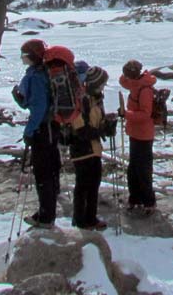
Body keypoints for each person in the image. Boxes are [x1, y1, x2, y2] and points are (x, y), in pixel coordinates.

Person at [12, 39, 60, 228]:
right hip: (51, 127)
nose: (22, 58)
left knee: (43, 172)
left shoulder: (36, 76)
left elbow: (39, 106)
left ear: (32, 56)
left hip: (43, 129)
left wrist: (29, 130)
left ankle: (46, 215)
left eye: (24, 55)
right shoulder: (44, 73)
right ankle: (48, 212)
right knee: (50, 170)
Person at [70, 65, 110, 230]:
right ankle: (82, 220)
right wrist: (99, 131)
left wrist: (107, 127)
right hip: (82, 149)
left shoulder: (96, 99)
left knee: (93, 185)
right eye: (102, 84)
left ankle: (89, 218)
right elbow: (79, 128)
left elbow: (97, 122)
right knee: (84, 186)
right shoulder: (82, 100)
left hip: (93, 149)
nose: (103, 87)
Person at [119, 59, 157, 214]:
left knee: (143, 170)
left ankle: (149, 202)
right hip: (135, 133)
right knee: (133, 169)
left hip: (144, 135)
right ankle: (135, 198)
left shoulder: (145, 90)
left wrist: (126, 114)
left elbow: (145, 114)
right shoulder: (135, 84)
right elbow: (123, 82)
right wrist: (125, 74)